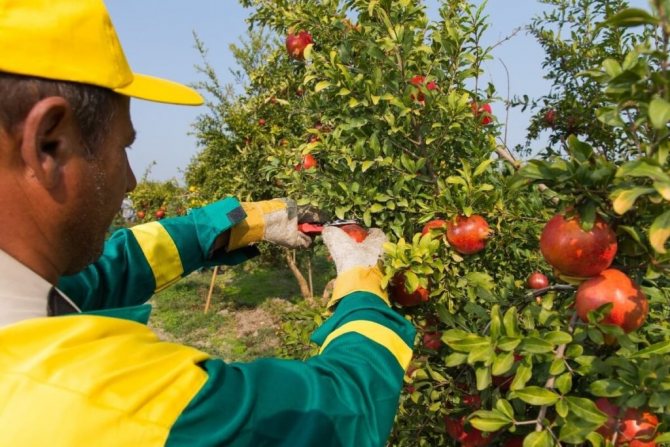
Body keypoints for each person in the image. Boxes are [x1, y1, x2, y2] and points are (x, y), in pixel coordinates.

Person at [0, 1, 415, 446]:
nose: (133, 182)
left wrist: (244, 223)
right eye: (122, 148)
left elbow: (110, 270)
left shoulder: (22, 297)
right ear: (49, 142)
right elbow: (340, 411)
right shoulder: (106, 403)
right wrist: (364, 288)